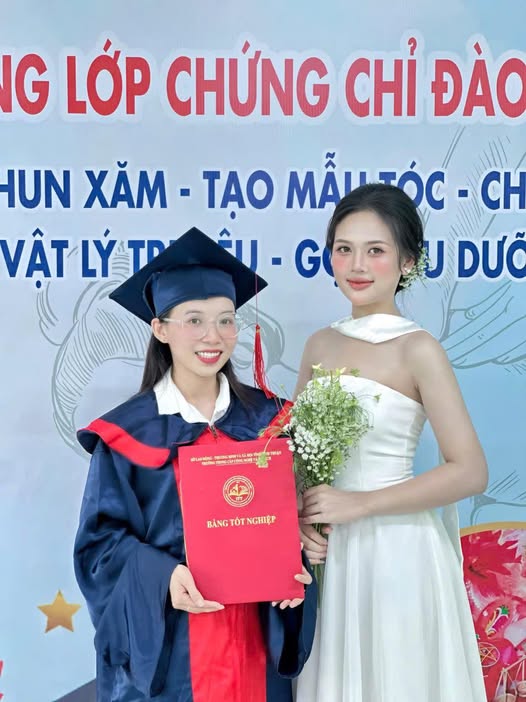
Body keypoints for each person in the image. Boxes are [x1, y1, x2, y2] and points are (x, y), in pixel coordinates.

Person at [73, 227, 316, 702]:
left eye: (226, 321)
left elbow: (289, 523)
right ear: (160, 329)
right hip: (173, 650)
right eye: (194, 320)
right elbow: (99, 549)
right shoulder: (126, 435)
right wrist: (163, 576)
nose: (213, 336)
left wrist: (294, 566)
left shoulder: (271, 422)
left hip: (252, 645)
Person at [294, 184, 488, 702]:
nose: (357, 265)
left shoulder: (417, 348)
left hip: (398, 551)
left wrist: (359, 504)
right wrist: (302, 520)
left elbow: (470, 470)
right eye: (344, 248)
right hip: (330, 557)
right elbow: (297, 459)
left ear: (408, 261)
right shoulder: (319, 343)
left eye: (375, 250)